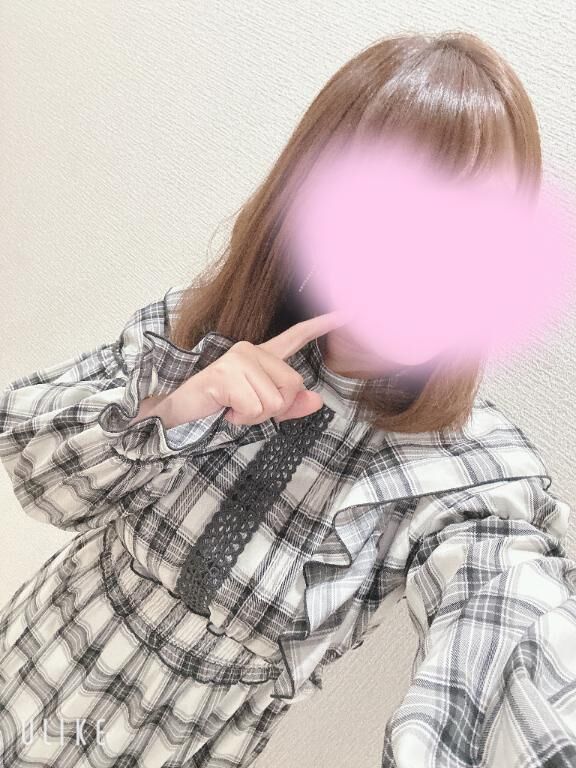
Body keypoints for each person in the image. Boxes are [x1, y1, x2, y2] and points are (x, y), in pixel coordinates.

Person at [0, 30, 573, 768]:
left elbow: (510, 634)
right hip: (33, 664)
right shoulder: (199, 332)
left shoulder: (466, 473)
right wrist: (174, 409)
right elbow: (33, 468)